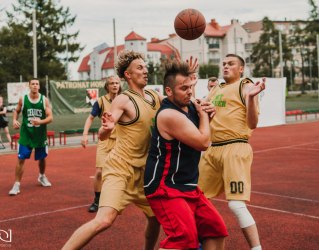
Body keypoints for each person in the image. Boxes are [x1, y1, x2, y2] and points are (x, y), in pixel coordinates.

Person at [62, 51, 163, 250]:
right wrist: (106, 129)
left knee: (155, 218)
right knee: (104, 220)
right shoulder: (123, 100)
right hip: (121, 169)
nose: (146, 70)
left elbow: (177, 101)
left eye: (145, 67)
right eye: (140, 68)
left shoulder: (154, 96)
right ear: (128, 75)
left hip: (145, 173)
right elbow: (104, 131)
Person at [144, 61, 228, 249]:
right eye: (183, 88)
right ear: (169, 91)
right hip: (165, 187)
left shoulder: (190, 106)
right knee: (184, 239)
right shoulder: (168, 115)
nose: (189, 91)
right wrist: (204, 116)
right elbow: (203, 142)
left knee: (216, 231)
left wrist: (207, 114)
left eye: (190, 86)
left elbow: (199, 128)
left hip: (188, 185)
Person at [198, 54, 266, 250]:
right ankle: (201, 241)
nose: (226, 67)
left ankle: (256, 248)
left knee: (236, 205)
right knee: (197, 198)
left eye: (231, 64)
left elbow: (253, 123)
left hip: (235, 148)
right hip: (213, 149)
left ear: (241, 68)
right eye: (224, 64)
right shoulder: (217, 88)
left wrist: (252, 98)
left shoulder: (245, 86)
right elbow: (201, 109)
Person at [81, 75, 121, 213]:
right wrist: (85, 135)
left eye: (117, 83)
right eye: (112, 83)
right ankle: (97, 200)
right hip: (105, 141)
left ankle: (119, 197)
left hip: (121, 142)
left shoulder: (125, 100)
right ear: (107, 86)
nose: (115, 85)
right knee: (99, 172)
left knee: (121, 172)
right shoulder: (101, 101)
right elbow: (90, 118)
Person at [9, 78, 53, 196]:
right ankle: (17, 184)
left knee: (42, 158)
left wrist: (40, 122)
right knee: (21, 159)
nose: (35, 86)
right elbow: (16, 111)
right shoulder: (23, 99)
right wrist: (14, 120)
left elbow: (50, 117)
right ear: (29, 86)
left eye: (36, 84)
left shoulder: (44, 100)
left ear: (39, 86)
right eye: (32, 84)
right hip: (26, 135)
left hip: (40, 135)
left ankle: (42, 176)